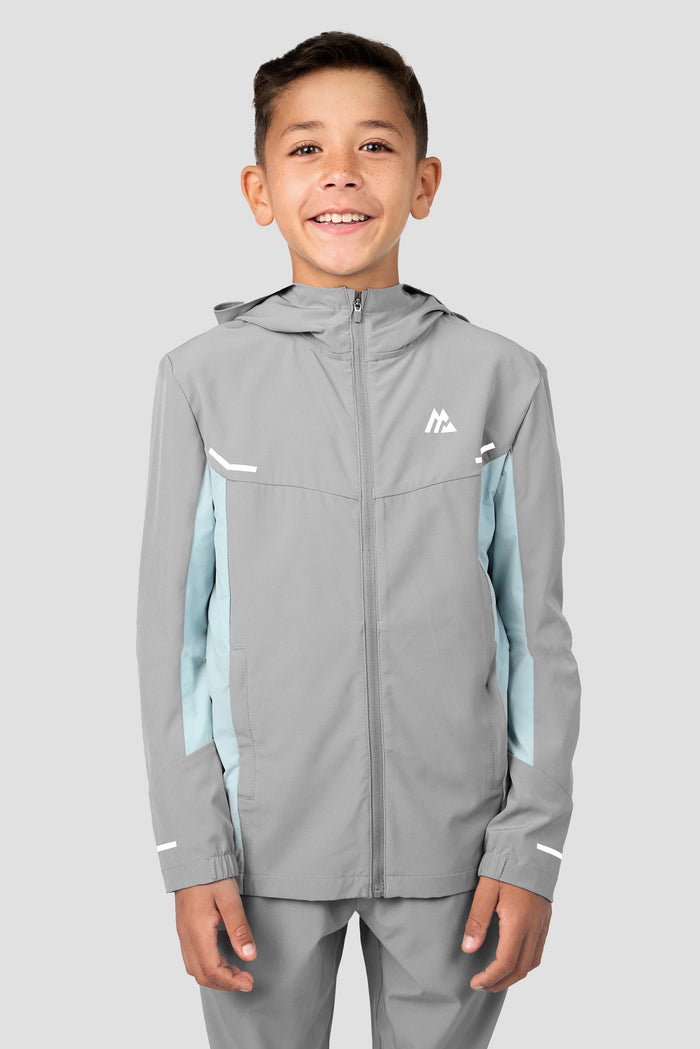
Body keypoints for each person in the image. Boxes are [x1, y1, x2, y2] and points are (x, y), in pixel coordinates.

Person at [136, 29, 582, 1049]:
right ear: (259, 191)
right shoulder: (201, 380)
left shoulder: (501, 379)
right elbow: (172, 639)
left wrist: (531, 848)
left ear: (424, 183)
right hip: (257, 856)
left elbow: (538, 635)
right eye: (306, 148)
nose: (340, 172)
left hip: (457, 855)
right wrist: (191, 852)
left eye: (374, 146)